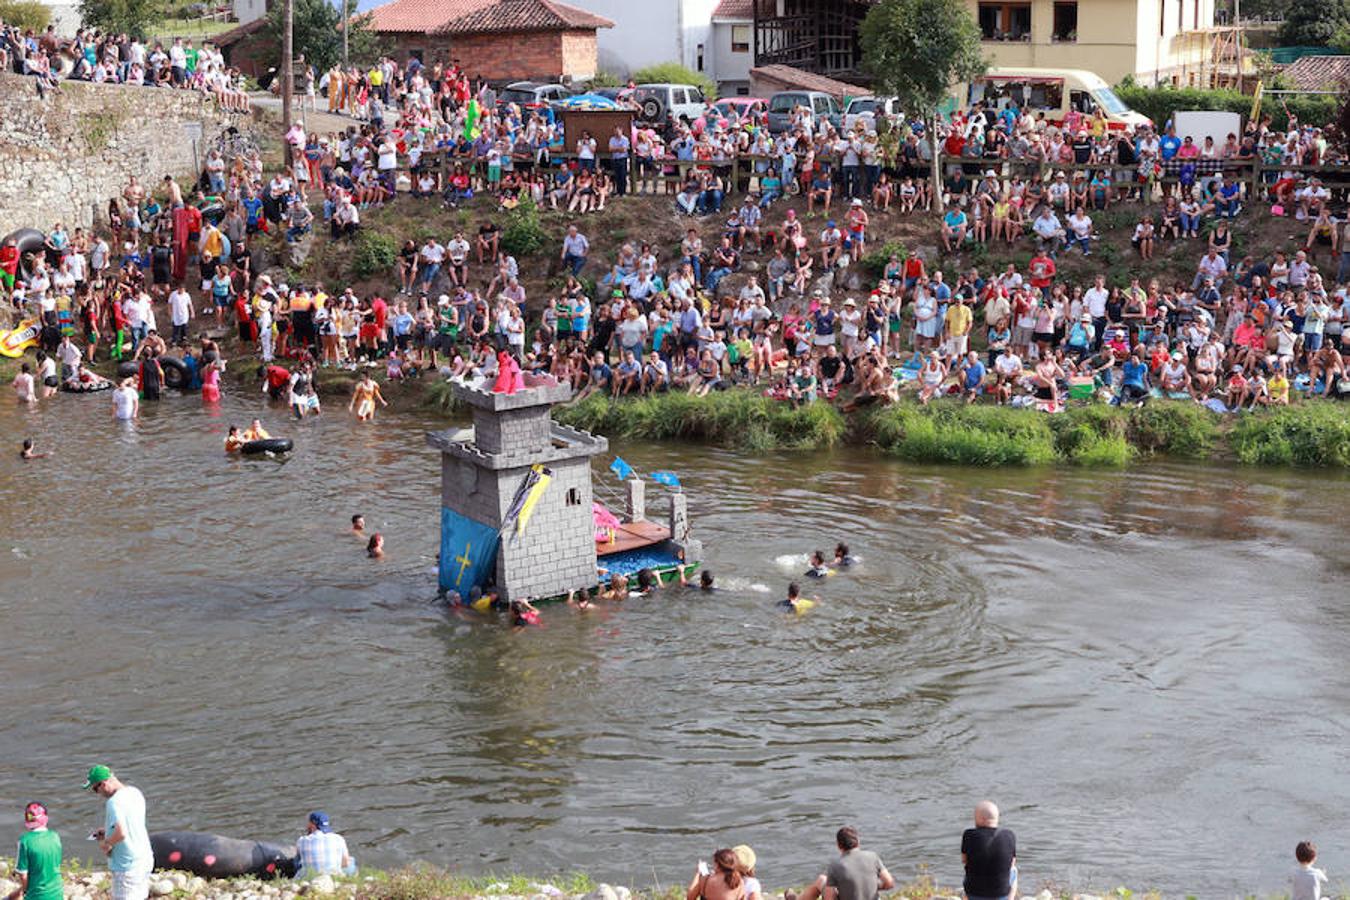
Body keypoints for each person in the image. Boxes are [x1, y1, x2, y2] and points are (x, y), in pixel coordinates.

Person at [85, 765, 153, 900]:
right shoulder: (135, 792)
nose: (98, 793)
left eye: (95, 789)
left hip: (126, 865)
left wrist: (106, 843)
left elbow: (121, 833)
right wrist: (108, 832)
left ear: (103, 784)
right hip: (144, 859)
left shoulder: (114, 802)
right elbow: (133, 823)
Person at [785, 826, 894, 900]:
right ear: (858, 841)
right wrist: (871, 886)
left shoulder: (835, 865)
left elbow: (829, 898)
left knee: (822, 880)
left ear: (838, 845)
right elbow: (889, 883)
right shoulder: (873, 856)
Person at [962, 801, 1016, 900]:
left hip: (973, 894)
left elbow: (964, 860)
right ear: (997, 818)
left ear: (977, 819)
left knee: (969, 870)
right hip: (1001, 894)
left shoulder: (968, 834)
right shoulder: (1009, 835)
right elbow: (1012, 863)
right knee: (1014, 870)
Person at [8, 802, 62, 900]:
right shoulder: (55, 836)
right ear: (45, 818)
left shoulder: (25, 840)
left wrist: (24, 891)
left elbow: (23, 875)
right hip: (57, 893)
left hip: (36, 896)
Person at [295, 811, 354, 881]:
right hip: (334, 877)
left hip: (309, 879)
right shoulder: (338, 838)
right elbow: (345, 863)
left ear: (312, 825)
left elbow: (297, 861)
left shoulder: (301, 840)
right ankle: (351, 880)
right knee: (351, 861)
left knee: (298, 862)